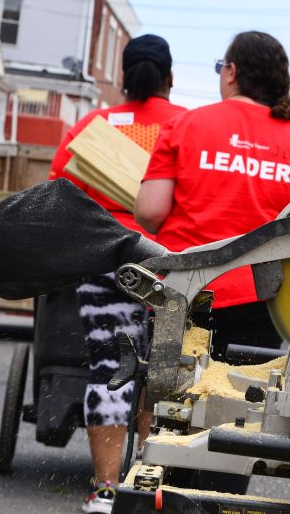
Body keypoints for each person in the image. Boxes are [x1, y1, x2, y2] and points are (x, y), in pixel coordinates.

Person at [135, 30, 290, 357]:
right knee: (243, 398)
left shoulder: (185, 125)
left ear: (231, 72)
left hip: (183, 287)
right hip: (262, 298)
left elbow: (150, 212)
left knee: (162, 389)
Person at [48, 34, 186, 514]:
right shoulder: (186, 126)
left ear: (124, 76)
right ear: (170, 78)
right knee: (163, 374)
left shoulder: (93, 126)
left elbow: (58, 193)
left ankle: (105, 490)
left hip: (103, 259)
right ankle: (148, 488)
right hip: (167, 262)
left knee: (111, 367)